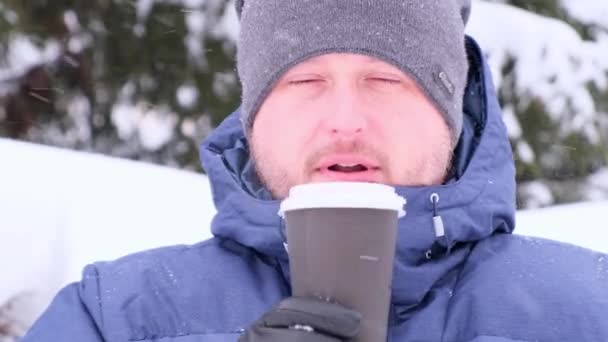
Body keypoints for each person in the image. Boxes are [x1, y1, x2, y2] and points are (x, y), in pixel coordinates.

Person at [22, 1, 608, 341]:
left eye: (387, 79)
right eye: (304, 81)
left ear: (450, 113)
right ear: (253, 116)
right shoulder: (112, 319)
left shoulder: (590, 310)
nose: (345, 122)